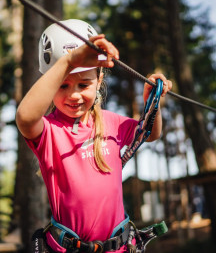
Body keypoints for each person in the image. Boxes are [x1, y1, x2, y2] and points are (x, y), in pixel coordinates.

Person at [16, 19, 172, 253]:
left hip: (119, 247)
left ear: (99, 81)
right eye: (63, 85)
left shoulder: (112, 122)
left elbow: (150, 134)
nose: (74, 95)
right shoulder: (49, 131)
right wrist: (69, 61)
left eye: (83, 84)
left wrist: (153, 104)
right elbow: (25, 118)